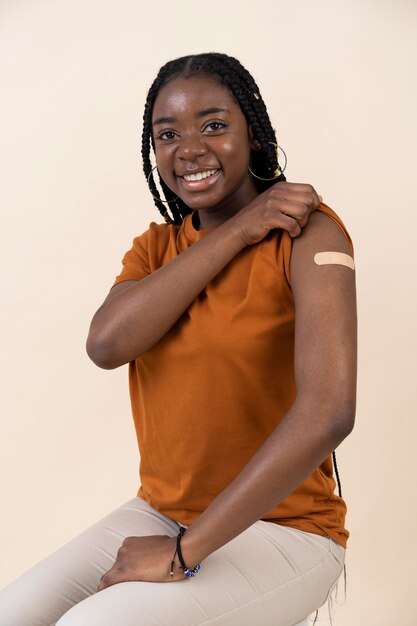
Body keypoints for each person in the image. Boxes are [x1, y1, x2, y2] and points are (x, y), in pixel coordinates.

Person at [0, 52, 356, 626]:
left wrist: (185, 553)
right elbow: (107, 346)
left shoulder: (310, 234)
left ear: (257, 136)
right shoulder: (155, 250)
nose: (188, 148)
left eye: (213, 125)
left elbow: (329, 412)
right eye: (167, 134)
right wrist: (240, 229)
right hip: (163, 514)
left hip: (285, 529)